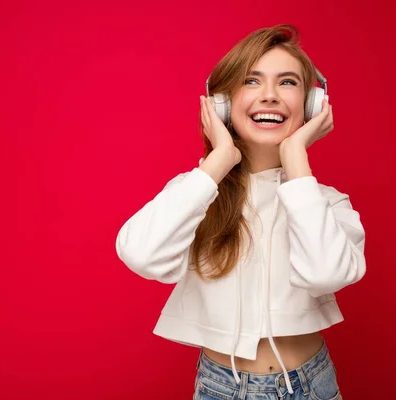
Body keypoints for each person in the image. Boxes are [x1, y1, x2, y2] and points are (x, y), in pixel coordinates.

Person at [115, 24, 365, 400]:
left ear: (312, 104)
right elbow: (141, 254)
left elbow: (325, 275)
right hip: (219, 388)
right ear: (222, 103)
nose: (269, 96)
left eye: (287, 83)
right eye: (251, 81)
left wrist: (297, 161)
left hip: (310, 386)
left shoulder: (324, 202)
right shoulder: (197, 191)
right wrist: (218, 161)